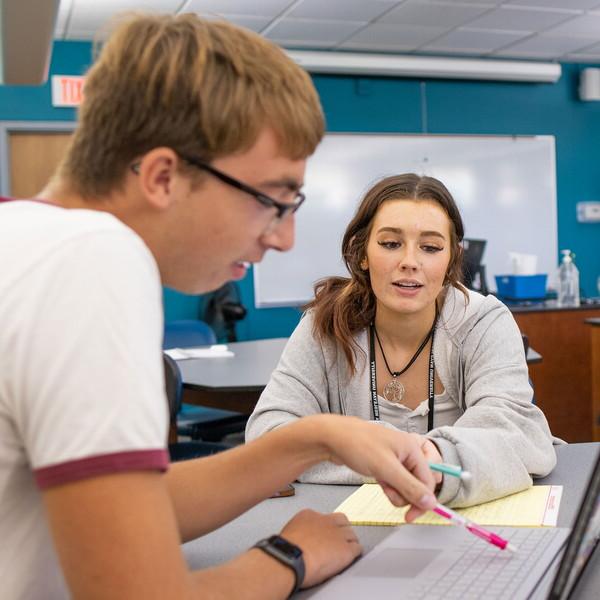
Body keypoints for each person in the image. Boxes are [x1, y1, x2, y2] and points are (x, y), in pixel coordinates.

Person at [0, 15, 439, 600]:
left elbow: (133, 508)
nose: (282, 238)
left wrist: (316, 437)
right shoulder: (94, 259)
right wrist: (287, 558)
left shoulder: (24, 237)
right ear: (162, 177)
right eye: (272, 201)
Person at [246, 173, 558, 507]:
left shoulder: (484, 322)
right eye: (391, 244)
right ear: (362, 253)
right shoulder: (324, 325)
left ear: (452, 258)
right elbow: (268, 435)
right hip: (354, 528)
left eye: (431, 247)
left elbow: (518, 435)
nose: (410, 262)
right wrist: (398, 457)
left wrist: (438, 458)